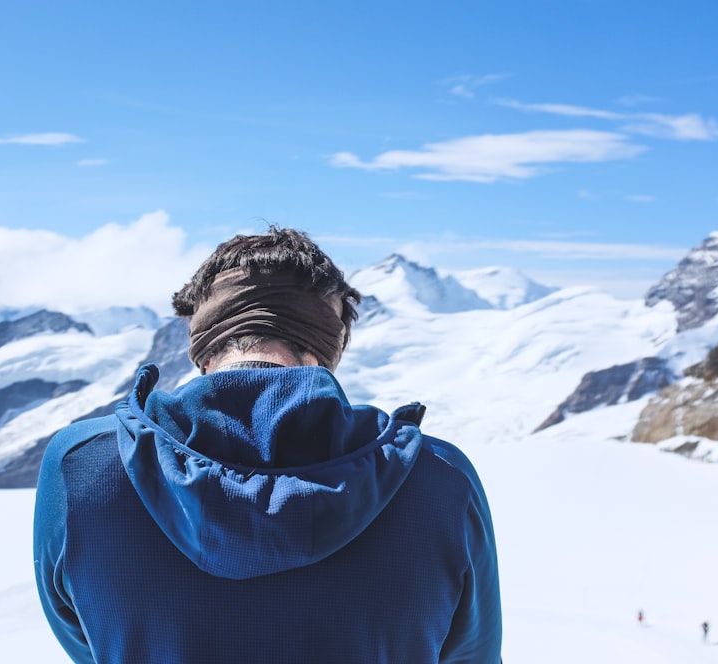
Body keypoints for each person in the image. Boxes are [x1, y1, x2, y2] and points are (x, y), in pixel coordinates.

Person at [33, 226, 502, 663]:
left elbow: (86, 639)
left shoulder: (81, 465)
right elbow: (472, 654)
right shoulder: (439, 478)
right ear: (326, 349)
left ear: (203, 345)